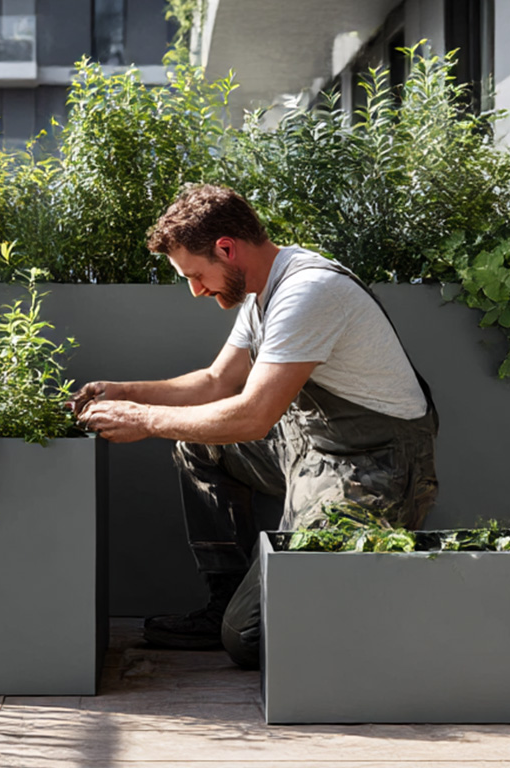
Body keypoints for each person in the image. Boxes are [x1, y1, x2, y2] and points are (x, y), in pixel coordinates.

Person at [68, 184, 438, 669]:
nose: (196, 291)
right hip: (311, 444)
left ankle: (242, 615)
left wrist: (145, 420)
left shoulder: (307, 291)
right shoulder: (261, 293)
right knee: (195, 442)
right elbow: (216, 382)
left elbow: (252, 415)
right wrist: (125, 392)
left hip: (374, 466)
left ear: (227, 248)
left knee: (249, 638)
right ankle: (222, 595)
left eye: (197, 276)